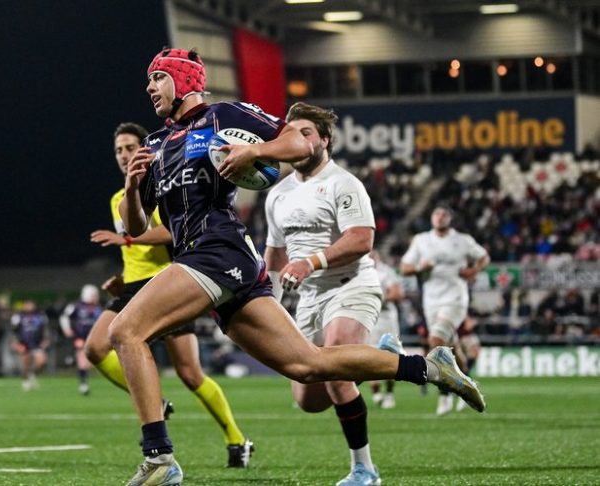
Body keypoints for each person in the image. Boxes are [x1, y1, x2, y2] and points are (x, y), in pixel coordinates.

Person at [113, 47, 485, 486]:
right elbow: (134, 228)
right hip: (212, 261)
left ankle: (159, 457)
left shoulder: (223, 116)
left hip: (217, 250)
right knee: (308, 367)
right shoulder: (155, 146)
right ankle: (429, 368)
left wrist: (255, 153)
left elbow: (297, 141)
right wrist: (134, 188)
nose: (149, 88)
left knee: (125, 331)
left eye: (157, 77)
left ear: (183, 80)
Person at [87, 122, 253, 468]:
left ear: (144, 149)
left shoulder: (163, 186)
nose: (124, 155)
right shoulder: (119, 198)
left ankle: (237, 440)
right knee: (95, 348)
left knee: (191, 374)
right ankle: (155, 403)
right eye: (119, 150)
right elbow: (133, 248)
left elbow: (167, 232)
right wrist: (120, 279)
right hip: (133, 286)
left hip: (169, 282)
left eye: (131, 148)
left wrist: (129, 239)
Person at [263, 102, 396, 485]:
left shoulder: (344, 183)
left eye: (306, 133)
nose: (298, 140)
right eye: (291, 134)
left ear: (324, 140)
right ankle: (375, 359)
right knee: (308, 399)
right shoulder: (278, 193)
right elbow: (275, 253)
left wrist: (311, 262)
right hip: (308, 300)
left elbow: (361, 240)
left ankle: (364, 469)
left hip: (350, 286)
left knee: (336, 369)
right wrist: (267, 303)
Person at [400, 205, 490, 416]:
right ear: (431, 218)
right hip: (431, 302)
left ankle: (444, 395)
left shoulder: (463, 240)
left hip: (455, 299)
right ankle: (466, 383)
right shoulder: (421, 240)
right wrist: (421, 268)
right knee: (451, 347)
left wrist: (474, 270)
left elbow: (484, 256)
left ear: (450, 218)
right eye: (436, 214)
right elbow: (404, 268)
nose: (440, 217)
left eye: (444, 214)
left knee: (436, 341)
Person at [367, 251, 405, 409]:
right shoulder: (358, 271)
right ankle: (376, 392)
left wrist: (377, 300)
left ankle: (389, 393)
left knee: (391, 357)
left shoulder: (386, 272)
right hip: (367, 318)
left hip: (386, 318)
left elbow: (397, 294)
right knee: (369, 356)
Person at [60, 284, 103, 395]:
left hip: (95, 338)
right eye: (93, 295)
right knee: (82, 359)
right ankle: (83, 384)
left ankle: (80, 372)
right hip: (80, 337)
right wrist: (67, 329)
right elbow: (64, 317)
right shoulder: (76, 306)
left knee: (92, 362)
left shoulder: (98, 308)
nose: (95, 297)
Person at [10, 300, 50, 391]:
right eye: (27, 305)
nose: (29, 306)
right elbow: (13, 331)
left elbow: (45, 329)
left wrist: (46, 340)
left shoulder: (41, 316)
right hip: (23, 343)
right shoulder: (18, 316)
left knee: (42, 362)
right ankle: (25, 381)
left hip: (37, 343)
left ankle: (32, 374)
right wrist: (15, 343)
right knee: (25, 363)